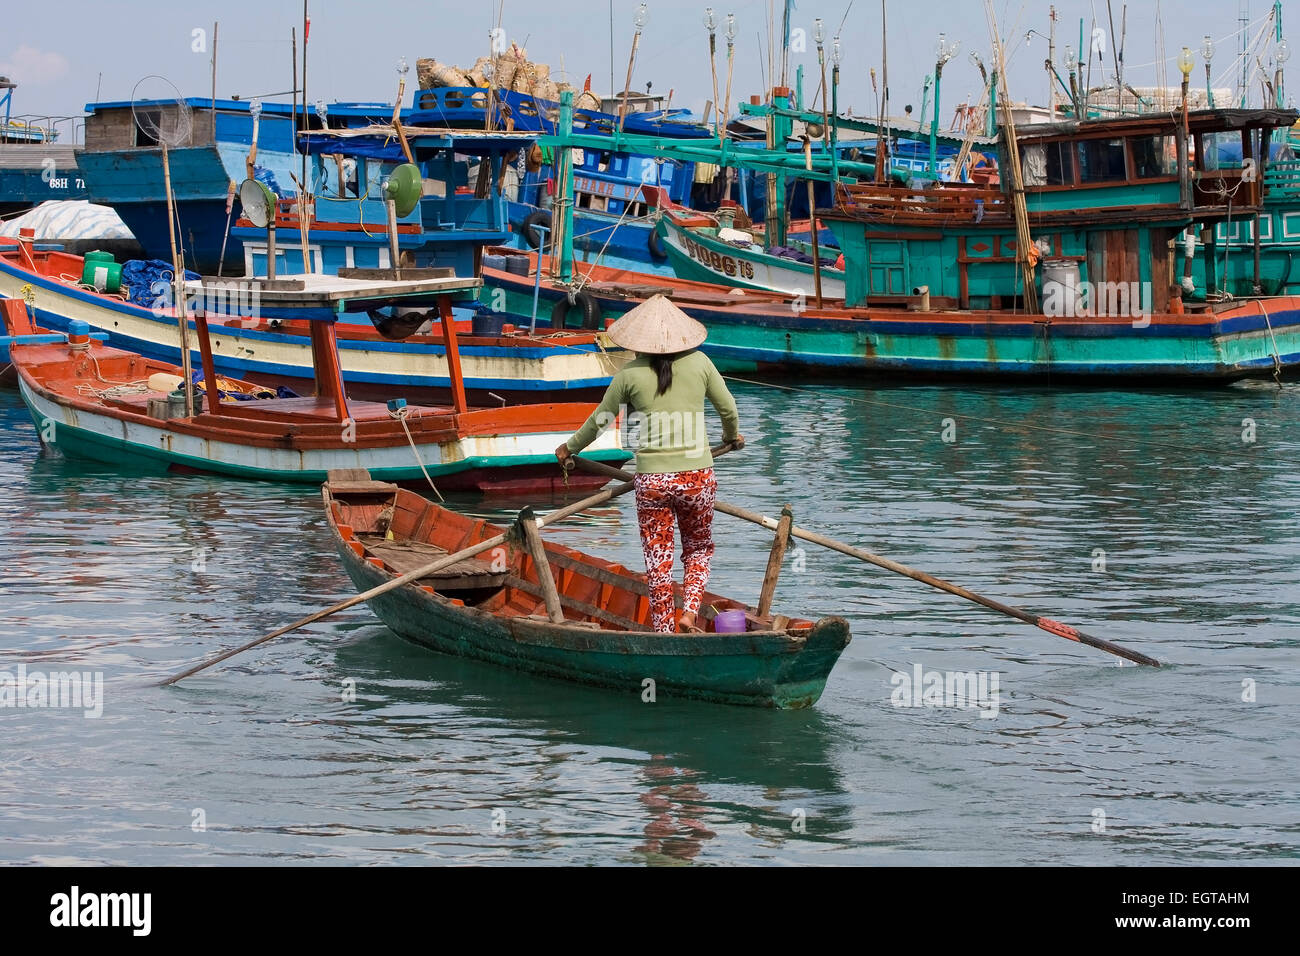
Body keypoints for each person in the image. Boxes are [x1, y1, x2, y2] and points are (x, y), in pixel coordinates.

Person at [556, 295, 742, 634]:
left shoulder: (629, 375)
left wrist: (568, 448)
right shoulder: (701, 363)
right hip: (697, 476)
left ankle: (663, 634)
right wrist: (733, 437)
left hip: (653, 482)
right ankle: (690, 611)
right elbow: (728, 409)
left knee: (659, 563)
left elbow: (601, 421)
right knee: (699, 548)